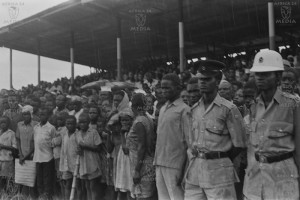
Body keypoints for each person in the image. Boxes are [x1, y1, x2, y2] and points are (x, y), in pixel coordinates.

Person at [184, 60, 246, 200]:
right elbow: (191, 142)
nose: (202, 83)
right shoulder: (194, 109)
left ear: (217, 80)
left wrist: (220, 157)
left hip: (219, 174)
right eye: (200, 79)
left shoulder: (229, 109)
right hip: (195, 172)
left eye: (207, 79)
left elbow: (239, 144)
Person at [243, 49, 300, 199]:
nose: (260, 78)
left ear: (278, 77)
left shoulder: (293, 105)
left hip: (283, 178)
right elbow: (252, 146)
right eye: (257, 74)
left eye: (266, 74)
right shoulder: (254, 106)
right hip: (255, 179)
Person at [154, 73, 190, 200]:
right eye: (162, 88)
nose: (164, 91)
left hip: (175, 165)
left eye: (167, 88)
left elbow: (188, 143)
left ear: (178, 88)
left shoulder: (184, 110)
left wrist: (184, 169)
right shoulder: (163, 108)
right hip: (160, 162)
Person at [128, 93, 156, 199]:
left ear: (133, 106)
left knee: (142, 195)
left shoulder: (139, 122)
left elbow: (141, 146)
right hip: (145, 161)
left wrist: (137, 170)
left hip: (141, 164)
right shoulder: (147, 118)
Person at [76, 113, 102, 200]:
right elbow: (78, 147)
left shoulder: (93, 132)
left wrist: (86, 146)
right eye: (80, 122)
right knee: (87, 186)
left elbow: (99, 148)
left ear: (88, 123)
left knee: (93, 186)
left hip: (92, 162)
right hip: (83, 163)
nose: (82, 124)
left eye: (84, 122)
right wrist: (79, 150)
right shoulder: (78, 134)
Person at [33, 108, 56, 199]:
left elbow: (54, 143)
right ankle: (40, 196)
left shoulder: (51, 128)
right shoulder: (36, 127)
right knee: (39, 179)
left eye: (43, 114)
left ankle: (47, 196)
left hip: (48, 157)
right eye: (40, 114)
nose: (41, 116)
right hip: (38, 157)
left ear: (48, 116)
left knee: (47, 179)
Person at [16, 105, 38, 198]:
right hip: (22, 154)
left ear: (31, 114)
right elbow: (18, 139)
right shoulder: (19, 124)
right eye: (24, 114)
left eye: (27, 114)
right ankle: (23, 197)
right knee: (23, 177)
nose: (26, 116)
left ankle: (33, 197)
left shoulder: (36, 125)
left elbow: (36, 142)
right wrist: (21, 154)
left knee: (32, 178)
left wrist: (27, 155)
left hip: (33, 155)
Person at [59, 115, 79, 200]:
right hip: (66, 164)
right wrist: (61, 166)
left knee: (77, 186)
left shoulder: (78, 134)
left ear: (75, 124)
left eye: (72, 123)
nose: (70, 125)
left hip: (76, 165)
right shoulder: (64, 134)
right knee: (67, 184)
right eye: (68, 123)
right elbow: (63, 151)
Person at [0, 116, 17, 192]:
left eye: (4, 122)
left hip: (7, 159)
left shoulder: (11, 133)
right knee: (1, 179)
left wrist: (4, 147)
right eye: (1, 122)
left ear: (8, 123)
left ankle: (9, 194)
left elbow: (15, 147)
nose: (3, 124)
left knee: (8, 178)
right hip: (0, 159)